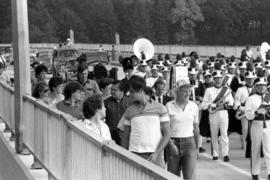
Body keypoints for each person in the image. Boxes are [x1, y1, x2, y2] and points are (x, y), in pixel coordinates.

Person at [122, 76, 170, 168]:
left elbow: (167, 133)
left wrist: (156, 153)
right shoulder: (129, 111)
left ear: (140, 89)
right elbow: (125, 136)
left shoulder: (160, 108)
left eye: (132, 91)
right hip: (134, 154)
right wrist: (124, 156)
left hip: (156, 156)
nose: (129, 94)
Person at [166, 79, 199, 179]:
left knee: (190, 177)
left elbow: (196, 128)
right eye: (185, 91)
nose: (188, 94)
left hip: (189, 143)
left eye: (189, 91)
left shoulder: (194, 106)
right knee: (173, 177)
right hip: (173, 142)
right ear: (177, 91)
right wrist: (170, 144)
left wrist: (197, 148)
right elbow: (164, 129)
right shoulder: (169, 106)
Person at [201, 66, 234, 162]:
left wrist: (228, 104)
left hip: (224, 113)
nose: (218, 80)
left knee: (224, 134)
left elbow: (232, 102)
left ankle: (225, 154)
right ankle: (215, 153)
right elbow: (203, 104)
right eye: (216, 78)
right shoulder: (209, 90)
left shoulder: (226, 90)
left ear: (222, 78)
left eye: (220, 78)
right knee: (214, 134)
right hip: (213, 114)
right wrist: (213, 104)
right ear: (213, 79)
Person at [245, 77, 270, 180]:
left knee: (268, 150)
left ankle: (269, 172)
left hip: (268, 124)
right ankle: (255, 173)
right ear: (256, 87)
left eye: (263, 85)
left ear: (266, 87)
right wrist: (256, 112)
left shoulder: (269, 97)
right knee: (255, 149)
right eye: (259, 85)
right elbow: (248, 115)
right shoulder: (250, 98)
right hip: (256, 124)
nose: (261, 87)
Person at [104, 80, 130, 145]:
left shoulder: (130, 102)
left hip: (126, 136)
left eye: (115, 90)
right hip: (111, 137)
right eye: (111, 90)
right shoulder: (106, 102)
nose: (112, 92)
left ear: (122, 90)